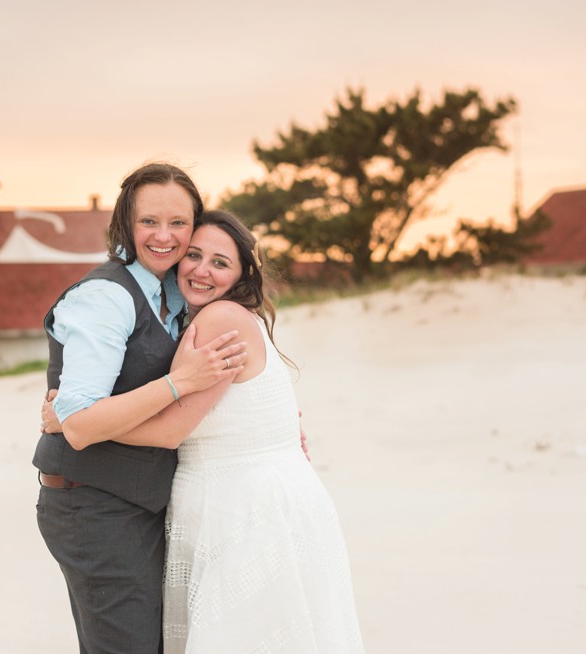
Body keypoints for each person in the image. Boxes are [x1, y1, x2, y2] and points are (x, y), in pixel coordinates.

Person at [44, 210, 365, 653]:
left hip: (241, 509)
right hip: (261, 498)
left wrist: (79, 420)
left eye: (220, 262)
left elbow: (168, 430)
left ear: (240, 275)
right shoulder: (218, 317)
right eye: (194, 255)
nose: (201, 269)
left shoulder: (219, 321)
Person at [32, 163, 248, 654]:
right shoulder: (107, 297)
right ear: (126, 224)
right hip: (95, 507)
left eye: (179, 223)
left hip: (143, 504)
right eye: (150, 221)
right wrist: (180, 381)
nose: (165, 236)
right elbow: (82, 426)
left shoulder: (179, 294)